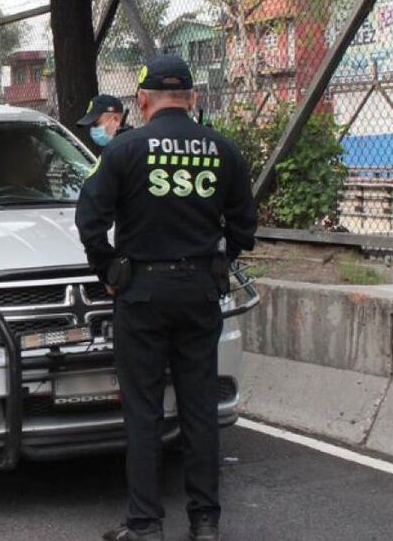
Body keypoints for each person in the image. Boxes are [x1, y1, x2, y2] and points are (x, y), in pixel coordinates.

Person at [75, 55, 257, 541]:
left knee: (144, 410)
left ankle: (145, 524)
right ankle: (205, 523)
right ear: (192, 98)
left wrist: (107, 268)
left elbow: (89, 218)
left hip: (142, 293)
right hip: (200, 290)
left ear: (142, 100)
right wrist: (220, 259)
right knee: (199, 408)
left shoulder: (124, 149)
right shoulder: (223, 150)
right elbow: (245, 225)